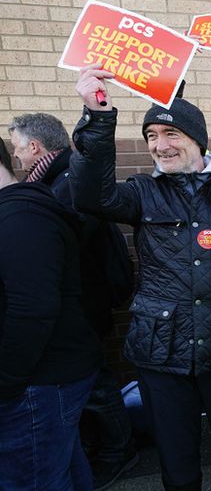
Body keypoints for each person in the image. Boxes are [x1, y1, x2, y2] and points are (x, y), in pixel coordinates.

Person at [69, 67, 211, 491]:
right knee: (178, 465)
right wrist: (97, 116)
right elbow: (91, 196)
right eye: (152, 137)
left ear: (197, 140)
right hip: (160, 353)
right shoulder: (142, 192)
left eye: (171, 134)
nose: (160, 146)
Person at [8, 113, 139, 490]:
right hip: (80, 297)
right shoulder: (54, 180)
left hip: (87, 298)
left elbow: (72, 244)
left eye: (18, 148)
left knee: (96, 381)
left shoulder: (66, 181)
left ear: (35, 147)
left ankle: (120, 450)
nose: (16, 157)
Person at [0, 139, 102, 490]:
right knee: (58, 468)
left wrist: (6, 380)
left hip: (37, 382)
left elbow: (32, 311)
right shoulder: (17, 213)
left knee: (33, 479)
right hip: (38, 380)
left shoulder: (20, 219)